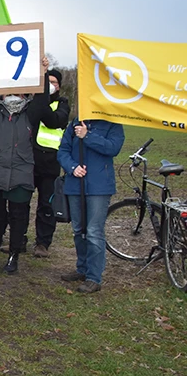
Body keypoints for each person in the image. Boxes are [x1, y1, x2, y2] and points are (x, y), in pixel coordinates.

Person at [0, 56, 67, 274]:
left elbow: (42, 100)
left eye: (18, 91)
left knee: (19, 216)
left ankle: (14, 254)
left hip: (20, 172)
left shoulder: (30, 114)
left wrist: (44, 73)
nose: (13, 95)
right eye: (10, 91)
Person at [57, 118, 124, 294]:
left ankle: (94, 277)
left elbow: (113, 148)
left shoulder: (112, 124)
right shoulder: (74, 123)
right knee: (79, 230)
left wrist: (88, 136)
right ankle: (82, 268)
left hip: (99, 186)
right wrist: (72, 167)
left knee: (94, 231)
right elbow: (63, 150)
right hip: (75, 185)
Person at [31, 69, 71, 258]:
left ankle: (43, 243)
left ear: (59, 86)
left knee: (46, 205)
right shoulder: (33, 102)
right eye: (48, 81)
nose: (51, 84)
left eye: (54, 82)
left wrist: (42, 99)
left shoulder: (62, 105)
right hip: (29, 161)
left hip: (50, 164)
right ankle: (19, 239)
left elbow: (54, 121)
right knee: (20, 204)